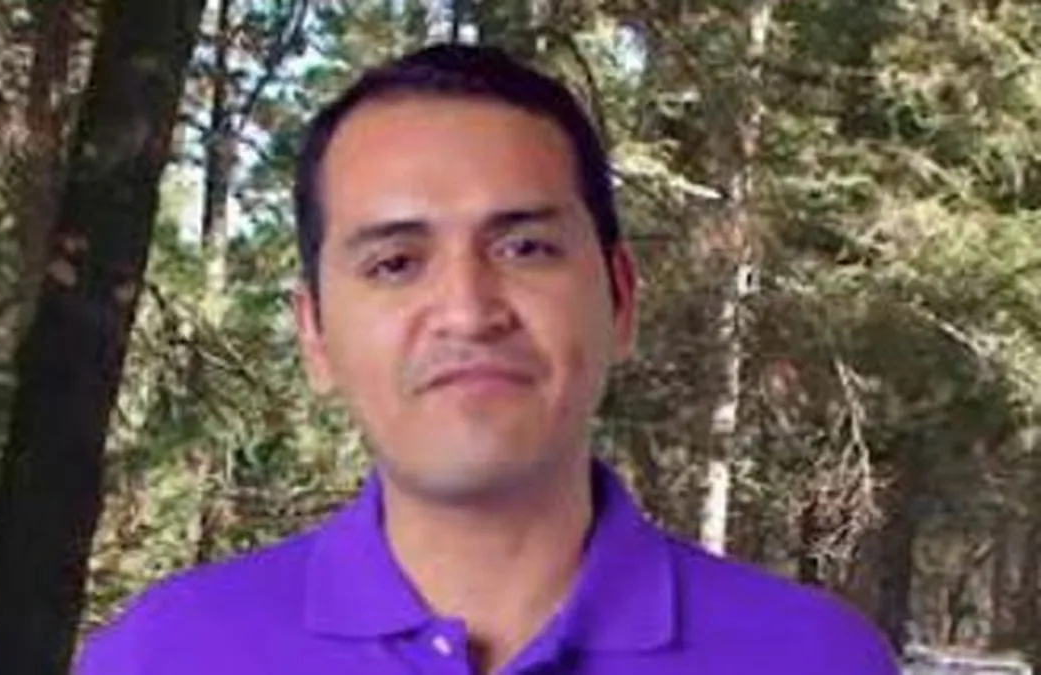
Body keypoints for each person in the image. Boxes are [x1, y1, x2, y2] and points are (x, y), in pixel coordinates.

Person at [75, 44, 899, 675]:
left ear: (620, 298)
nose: (469, 310)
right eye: (395, 262)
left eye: (526, 247)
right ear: (315, 332)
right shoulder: (162, 656)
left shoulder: (815, 659)